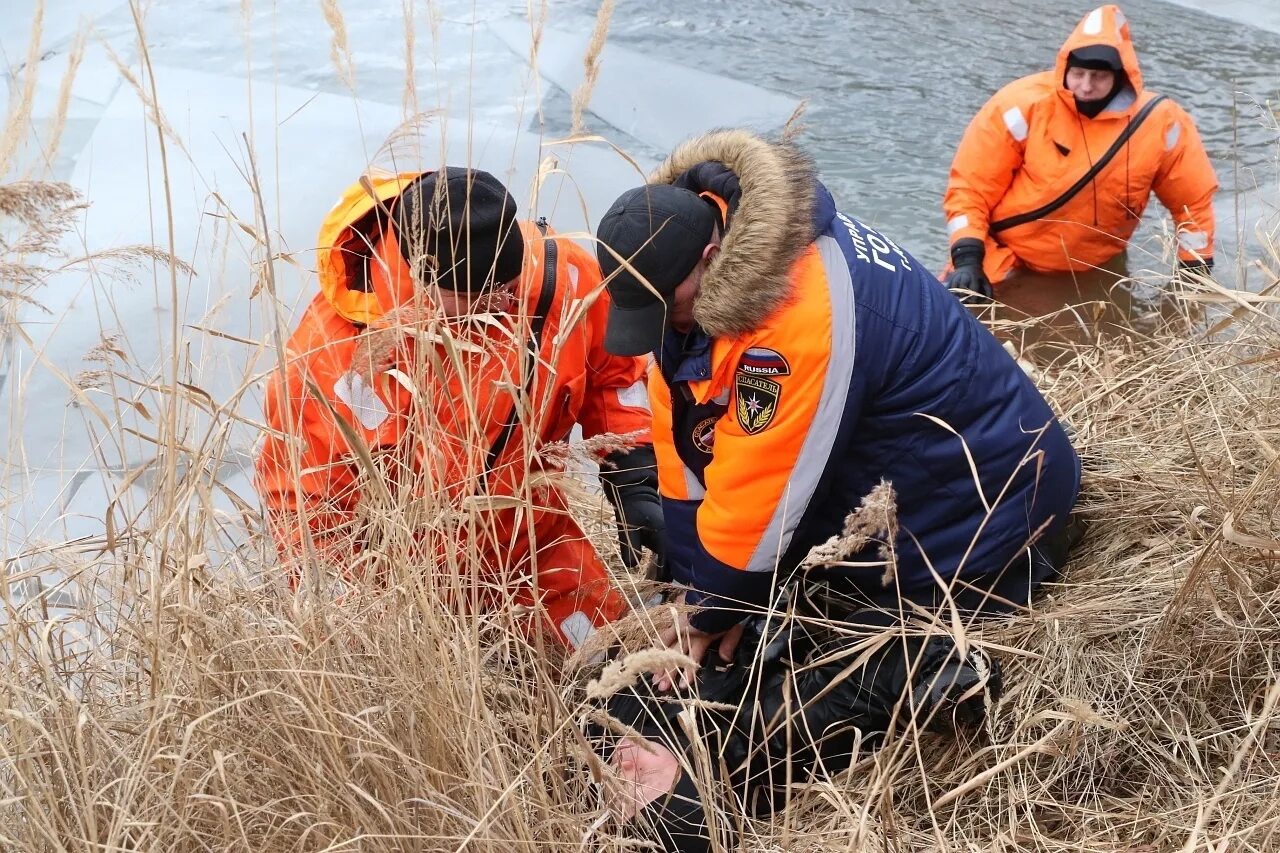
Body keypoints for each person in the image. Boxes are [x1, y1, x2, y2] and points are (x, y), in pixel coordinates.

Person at [593, 128, 1081, 683]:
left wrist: (709, 612)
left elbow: (767, 489)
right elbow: (683, 436)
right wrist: (691, 584)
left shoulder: (799, 313)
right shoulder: (698, 275)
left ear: (710, 257)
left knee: (835, 684)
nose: (659, 328)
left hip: (986, 514)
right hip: (893, 463)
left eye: (664, 309)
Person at [255, 166, 664, 647]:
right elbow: (305, 500)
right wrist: (350, 625)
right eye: (475, 295)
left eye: (507, 285)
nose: (500, 298)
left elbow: (618, 379)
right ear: (419, 271)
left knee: (610, 671)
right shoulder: (339, 349)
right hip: (401, 586)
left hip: (534, 545)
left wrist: (636, 478)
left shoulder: (563, 278)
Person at [943, 3, 1218, 302]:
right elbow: (970, 190)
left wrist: (1194, 271)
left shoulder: (1162, 124)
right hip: (1003, 257)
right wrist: (967, 257)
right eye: (1078, 74)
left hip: (1092, 271)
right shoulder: (1020, 106)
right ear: (1065, 69)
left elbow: (1192, 206)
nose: (1085, 87)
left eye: (1098, 76)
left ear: (1121, 77)